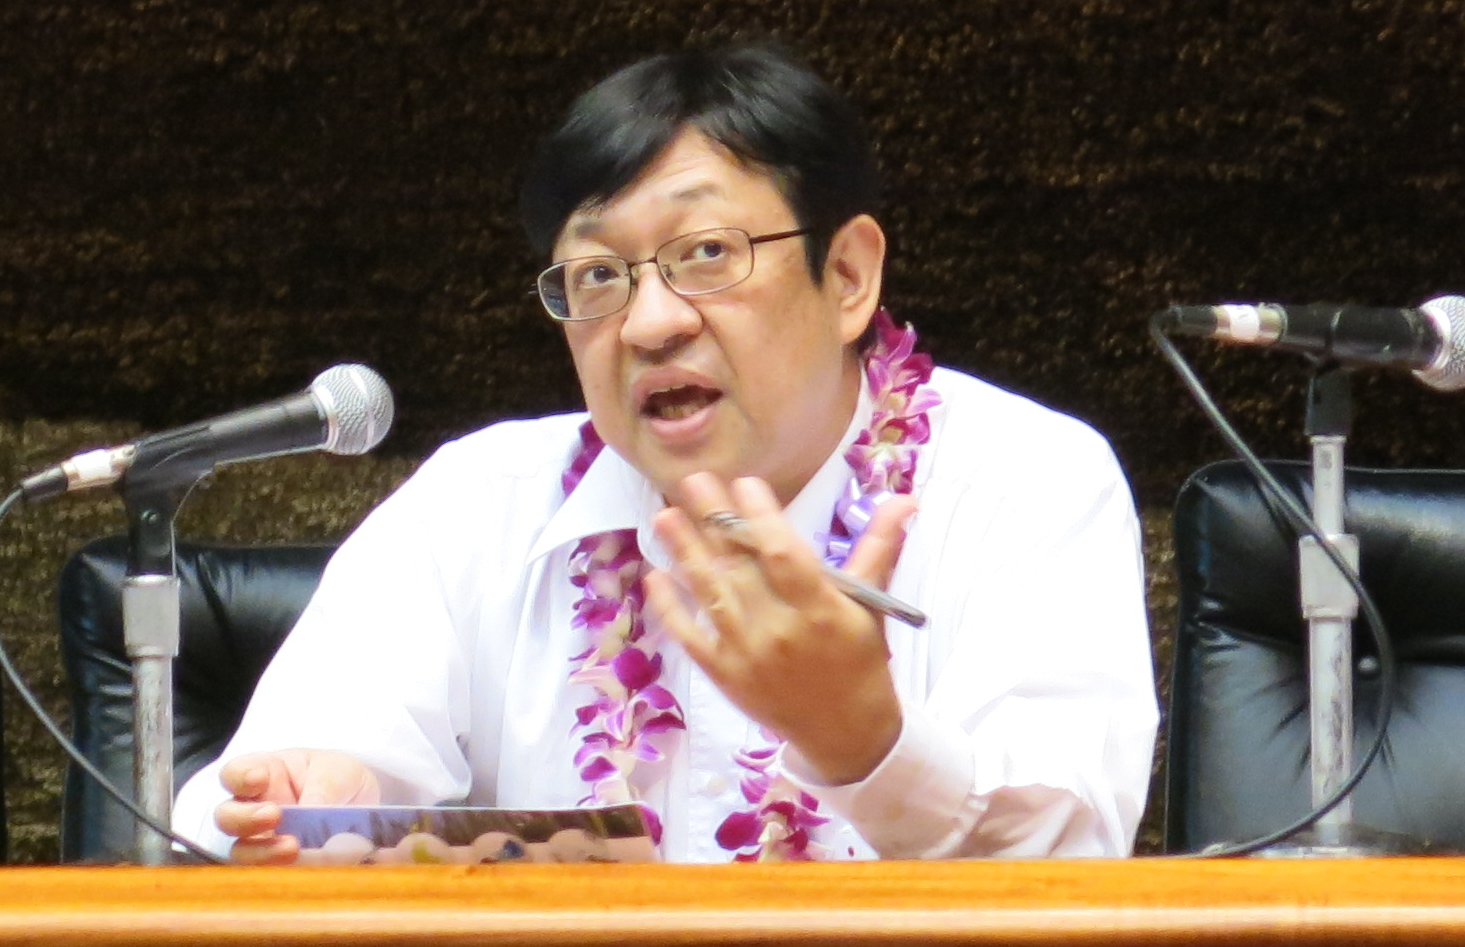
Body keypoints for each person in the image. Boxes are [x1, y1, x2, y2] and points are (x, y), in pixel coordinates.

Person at [172, 44, 1155, 862]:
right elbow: (250, 808)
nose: (648, 323)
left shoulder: (1025, 482)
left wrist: (863, 739)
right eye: (597, 275)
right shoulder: (474, 505)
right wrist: (308, 808)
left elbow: (1071, 866)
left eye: (707, 256)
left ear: (849, 275)